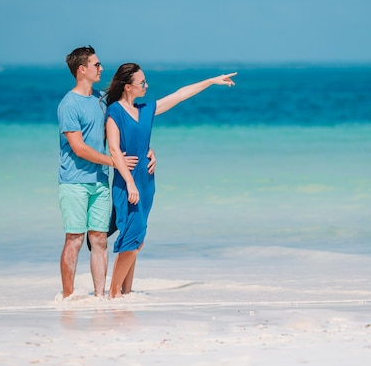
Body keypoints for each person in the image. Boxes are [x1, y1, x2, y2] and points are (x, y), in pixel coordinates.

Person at [105, 63, 237, 298]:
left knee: (138, 240)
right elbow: (114, 151)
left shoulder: (145, 110)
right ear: (128, 87)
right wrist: (130, 182)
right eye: (142, 82)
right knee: (130, 239)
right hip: (128, 184)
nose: (146, 85)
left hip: (147, 184)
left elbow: (179, 94)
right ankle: (113, 294)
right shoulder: (115, 111)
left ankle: (126, 292)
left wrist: (210, 81)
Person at [57, 46, 155, 299]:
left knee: (100, 240)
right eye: (96, 65)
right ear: (82, 69)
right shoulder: (68, 104)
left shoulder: (102, 101)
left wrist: (148, 151)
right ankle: (67, 297)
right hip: (74, 182)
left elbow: (125, 127)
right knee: (75, 239)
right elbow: (78, 148)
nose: (101, 68)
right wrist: (115, 161)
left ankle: (100, 297)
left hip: (101, 181)